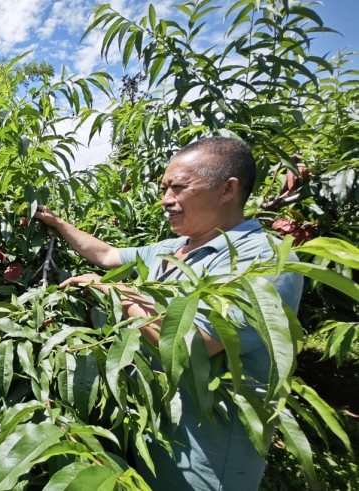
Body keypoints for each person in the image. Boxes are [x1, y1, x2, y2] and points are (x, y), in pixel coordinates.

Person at [35, 136, 303, 490]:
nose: (166, 200)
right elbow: (107, 255)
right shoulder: (176, 247)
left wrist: (112, 289)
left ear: (227, 190)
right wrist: (57, 224)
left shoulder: (264, 259)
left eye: (178, 187)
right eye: (164, 188)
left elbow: (190, 344)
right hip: (150, 432)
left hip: (204, 455)